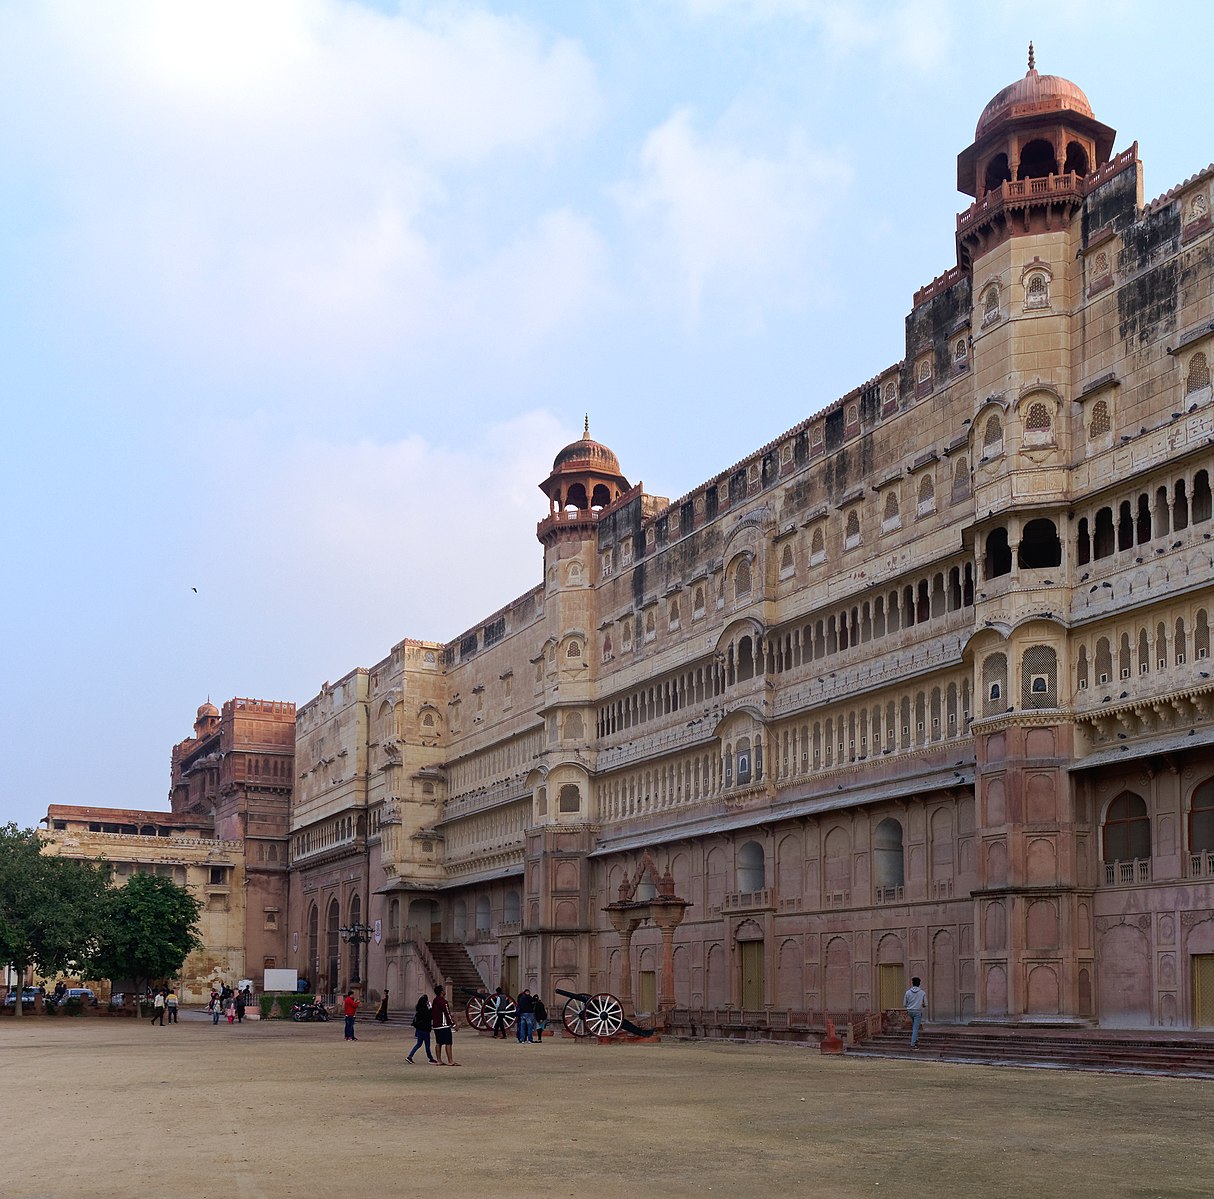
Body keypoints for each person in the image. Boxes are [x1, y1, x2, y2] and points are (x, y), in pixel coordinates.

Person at [431, 984, 458, 1066]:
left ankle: (439, 1060)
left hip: (436, 1025)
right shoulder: (444, 1002)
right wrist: (453, 1024)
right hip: (444, 1025)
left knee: (438, 1043)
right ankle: (450, 1061)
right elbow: (447, 1014)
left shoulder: (434, 1001)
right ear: (441, 992)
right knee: (448, 1043)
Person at [406, 994, 435, 1063]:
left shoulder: (418, 1010)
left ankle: (410, 1056)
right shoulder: (425, 1010)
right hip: (425, 1029)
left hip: (419, 1029)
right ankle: (430, 1058)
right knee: (427, 1045)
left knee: (419, 1044)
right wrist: (430, 1008)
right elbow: (430, 1017)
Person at [903, 976, 928, 1050]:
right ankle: (913, 1044)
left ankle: (916, 1040)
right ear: (919, 984)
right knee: (915, 1028)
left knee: (914, 1026)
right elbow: (926, 1004)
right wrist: (921, 1004)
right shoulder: (922, 993)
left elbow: (904, 1004)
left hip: (910, 1011)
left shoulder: (907, 992)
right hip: (917, 1011)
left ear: (912, 983)